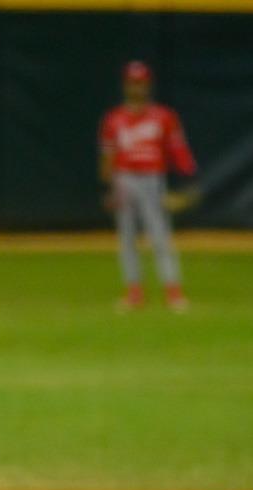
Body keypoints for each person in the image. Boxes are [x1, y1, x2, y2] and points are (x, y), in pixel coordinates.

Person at [99, 60, 198, 312]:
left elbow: (178, 149)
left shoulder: (163, 117)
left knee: (160, 237)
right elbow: (108, 155)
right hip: (124, 179)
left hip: (152, 178)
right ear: (125, 85)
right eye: (133, 82)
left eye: (141, 82)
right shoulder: (114, 119)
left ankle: (173, 292)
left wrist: (188, 175)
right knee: (127, 239)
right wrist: (110, 187)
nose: (137, 87)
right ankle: (134, 293)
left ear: (148, 84)